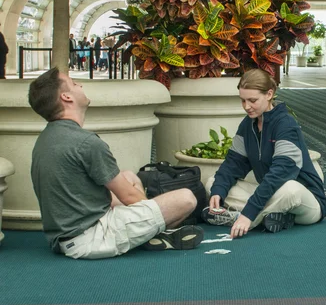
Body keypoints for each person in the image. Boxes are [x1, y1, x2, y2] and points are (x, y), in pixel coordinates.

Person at [28, 68, 204, 259]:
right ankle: (151, 233)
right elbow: (129, 197)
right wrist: (154, 217)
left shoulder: (46, 138)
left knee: (129, 176)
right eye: (74, 83)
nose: (80, 85)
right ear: (66, 97)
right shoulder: (85, 143)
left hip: (65, 237)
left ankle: (148, 235)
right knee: (186, 198)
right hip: (91, 238)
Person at [202, 69, 326, 238]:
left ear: (269, 94)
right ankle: (272, 218)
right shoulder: (247, 125)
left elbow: (280, 175)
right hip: (273, 196)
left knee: (291, 190)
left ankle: (243, 219)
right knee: (213, 183)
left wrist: (249, 213)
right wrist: (218, 191)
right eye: (243, 101)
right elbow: (233, 164)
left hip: (306, 202)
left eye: (252, 100)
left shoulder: (286, 125)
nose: (247, 106)